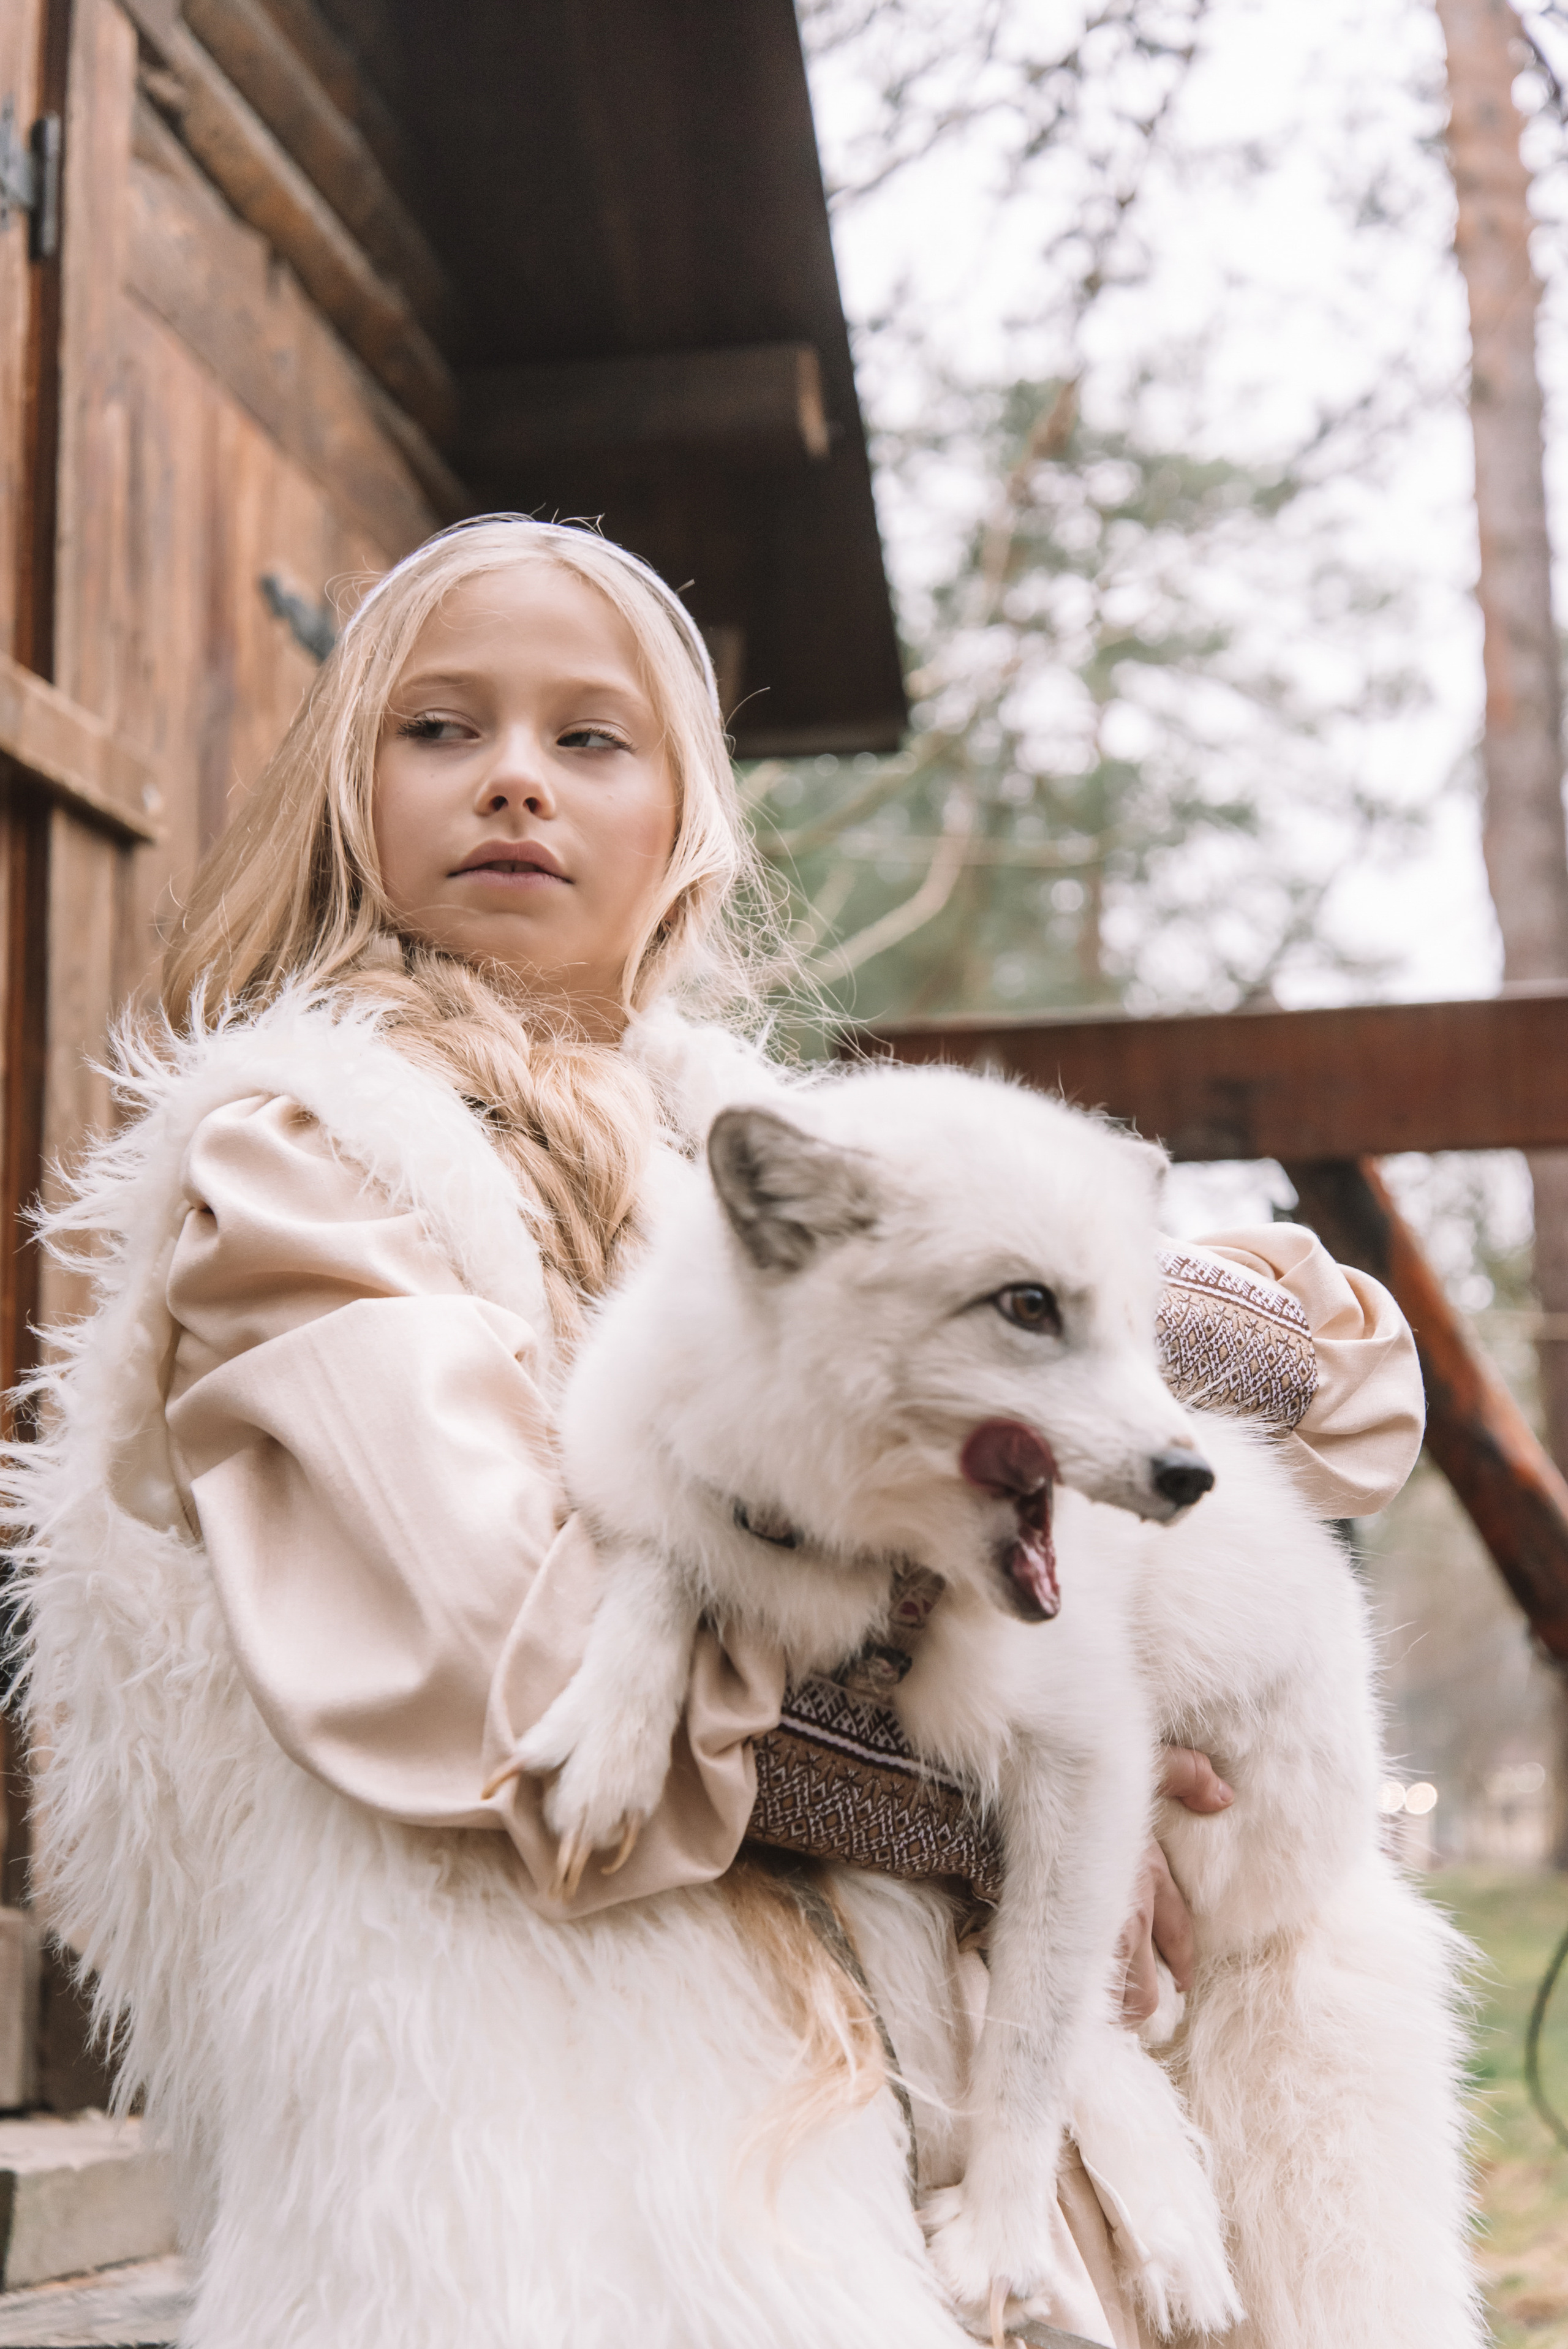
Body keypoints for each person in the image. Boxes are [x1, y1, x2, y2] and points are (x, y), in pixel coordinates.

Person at [7, 516, 1423, 2349]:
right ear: (352, 789)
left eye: (589, 739)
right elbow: (511, 1669)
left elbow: (1330, 1369)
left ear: (686, 819)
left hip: (869, 2064)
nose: (515, 774)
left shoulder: (754, 1153)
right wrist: (1006, 1803)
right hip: (548, 2114)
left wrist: (1106, 1327)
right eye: (443, 728)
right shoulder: (304, 1162)